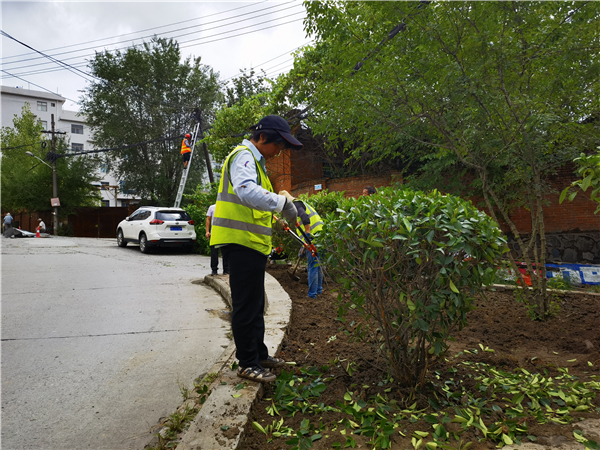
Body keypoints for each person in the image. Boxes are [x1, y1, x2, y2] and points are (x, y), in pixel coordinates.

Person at [210, 115, 302, 383]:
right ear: (262, 137)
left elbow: (253, 205)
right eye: (278, 146)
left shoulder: (255, 162)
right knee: (246, 305)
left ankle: (259, 354)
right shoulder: (244, 156)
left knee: (256, 303)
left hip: (251, 244)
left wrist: (275, 217)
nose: (279, 152)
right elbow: (246, 191)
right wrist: (283, 204)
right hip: (241, 243)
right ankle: (247, 363)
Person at [279, 190, 324, 299]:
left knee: (312, 266)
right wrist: (303, 246)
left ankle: (312, 295)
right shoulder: (300, 204)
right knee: (318, 265)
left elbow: (304, 217)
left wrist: (308, 236)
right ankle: (319, 290)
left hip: (313, 236)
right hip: (321, 235)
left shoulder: (296, 205)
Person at [205, 204, 229, 276]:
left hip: (224, 233)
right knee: (214, 252)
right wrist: (207, 231)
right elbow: (208, 219)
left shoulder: (226, 207)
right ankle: (214, 270)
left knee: (225, 252)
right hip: (214, 233)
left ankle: (226, 270)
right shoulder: (212, 207)